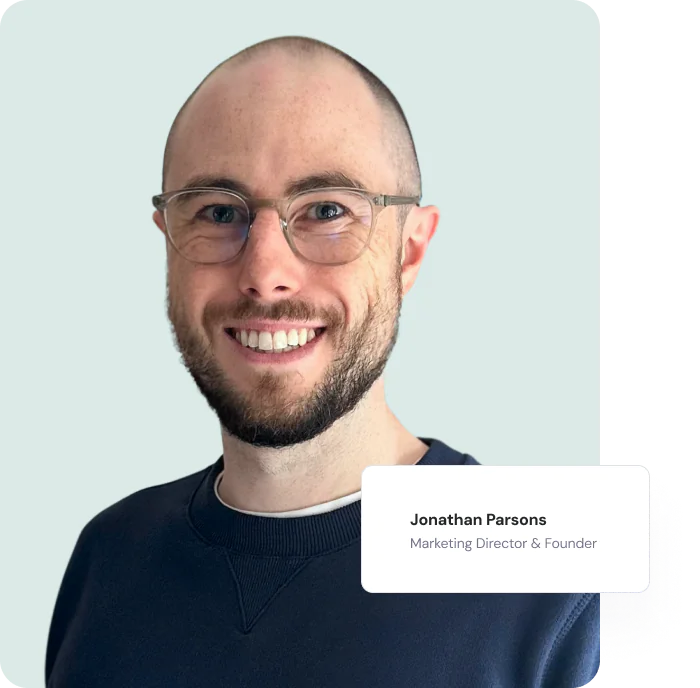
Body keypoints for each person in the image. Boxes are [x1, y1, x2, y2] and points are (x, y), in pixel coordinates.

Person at [44, 35, 600, 687]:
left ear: (410, 251)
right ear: (169, 242)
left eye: (327, 211)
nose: (265, 273)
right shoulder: (109, 556)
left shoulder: (589, 571)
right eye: (218, 212)